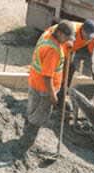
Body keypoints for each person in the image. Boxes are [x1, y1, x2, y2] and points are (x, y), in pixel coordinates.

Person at [18, 21, 75, 153]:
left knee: (33, 109)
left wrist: (67, 44)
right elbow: (47, 77)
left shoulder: (49, 34)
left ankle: (27, 132)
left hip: (34, 82)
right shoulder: (53, 51)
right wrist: (53, 95)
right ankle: (27, 142)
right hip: (44, 89)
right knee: (40, 115)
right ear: (60, 33)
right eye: (66, 38)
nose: (67, 41)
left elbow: (63, 31)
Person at [55, 19, 94, 106]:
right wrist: (66, 62)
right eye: (87, 35)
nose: (89, 38)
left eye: (91, 36)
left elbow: (92, 53)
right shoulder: (72, 32)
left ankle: (62, 95)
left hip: (72, 49)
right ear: (82, 30)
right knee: (60, 74)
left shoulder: (92, 37)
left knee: (70, 71)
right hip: (59, 46)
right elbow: (62, 48)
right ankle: (55, 97)